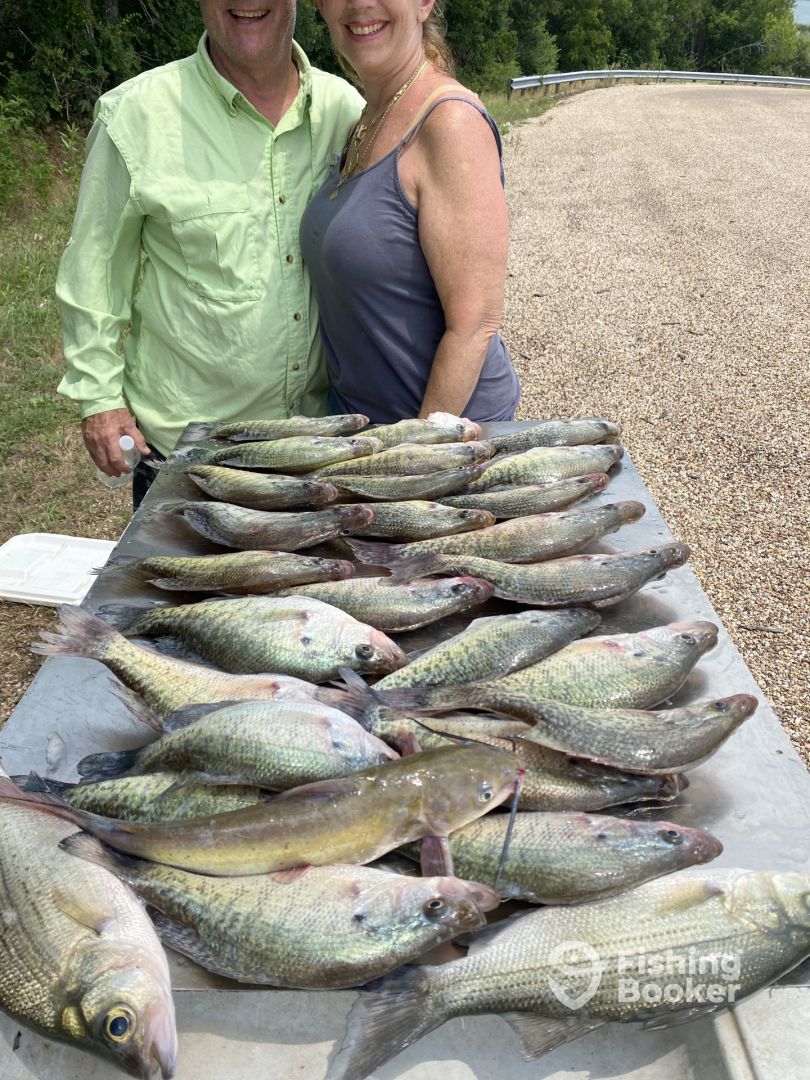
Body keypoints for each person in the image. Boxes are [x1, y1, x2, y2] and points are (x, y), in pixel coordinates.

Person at [56, 1, 363, 507]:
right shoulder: (136, 116)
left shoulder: (345, 111)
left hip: (316, 446)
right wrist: (100, 398)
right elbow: (94, 268)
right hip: (191, 457)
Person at [299, 0, 520, 424]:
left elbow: (474, 326)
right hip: (366, 429)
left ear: (423, 4)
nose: (360, 4)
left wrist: (415, 451)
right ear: (321, 7)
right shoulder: (368, 119)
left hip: (443, 435)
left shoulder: (450, 124)